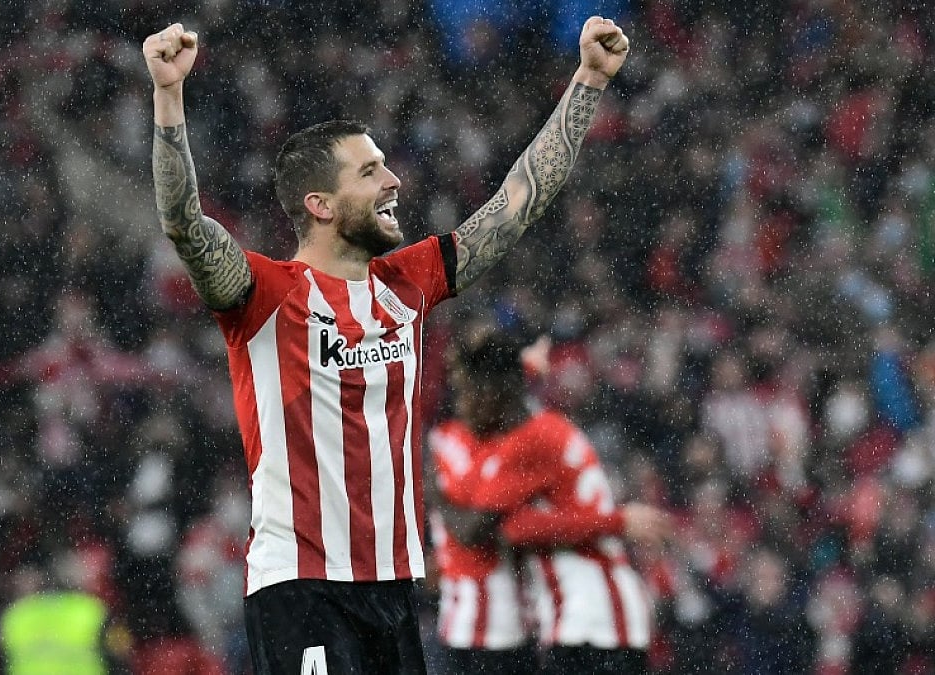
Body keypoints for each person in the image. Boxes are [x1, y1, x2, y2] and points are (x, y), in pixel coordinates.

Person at [142, 14, 630, 674]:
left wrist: (589, 80)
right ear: (320, 203)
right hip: (301, 585)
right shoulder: (262, 292)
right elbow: (183, 224)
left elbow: (519, 202)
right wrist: (169, 99)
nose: (393, 180)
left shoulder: (409, 280)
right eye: (370, 171)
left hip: (393, 589)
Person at [432, 329, 669, 674]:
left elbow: (496, 529)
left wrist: (432, 490)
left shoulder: (528, 442)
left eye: (470, 391)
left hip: (591, 619)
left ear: (498, 389)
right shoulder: (546, 426)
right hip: (598, 617)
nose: (463, 407)